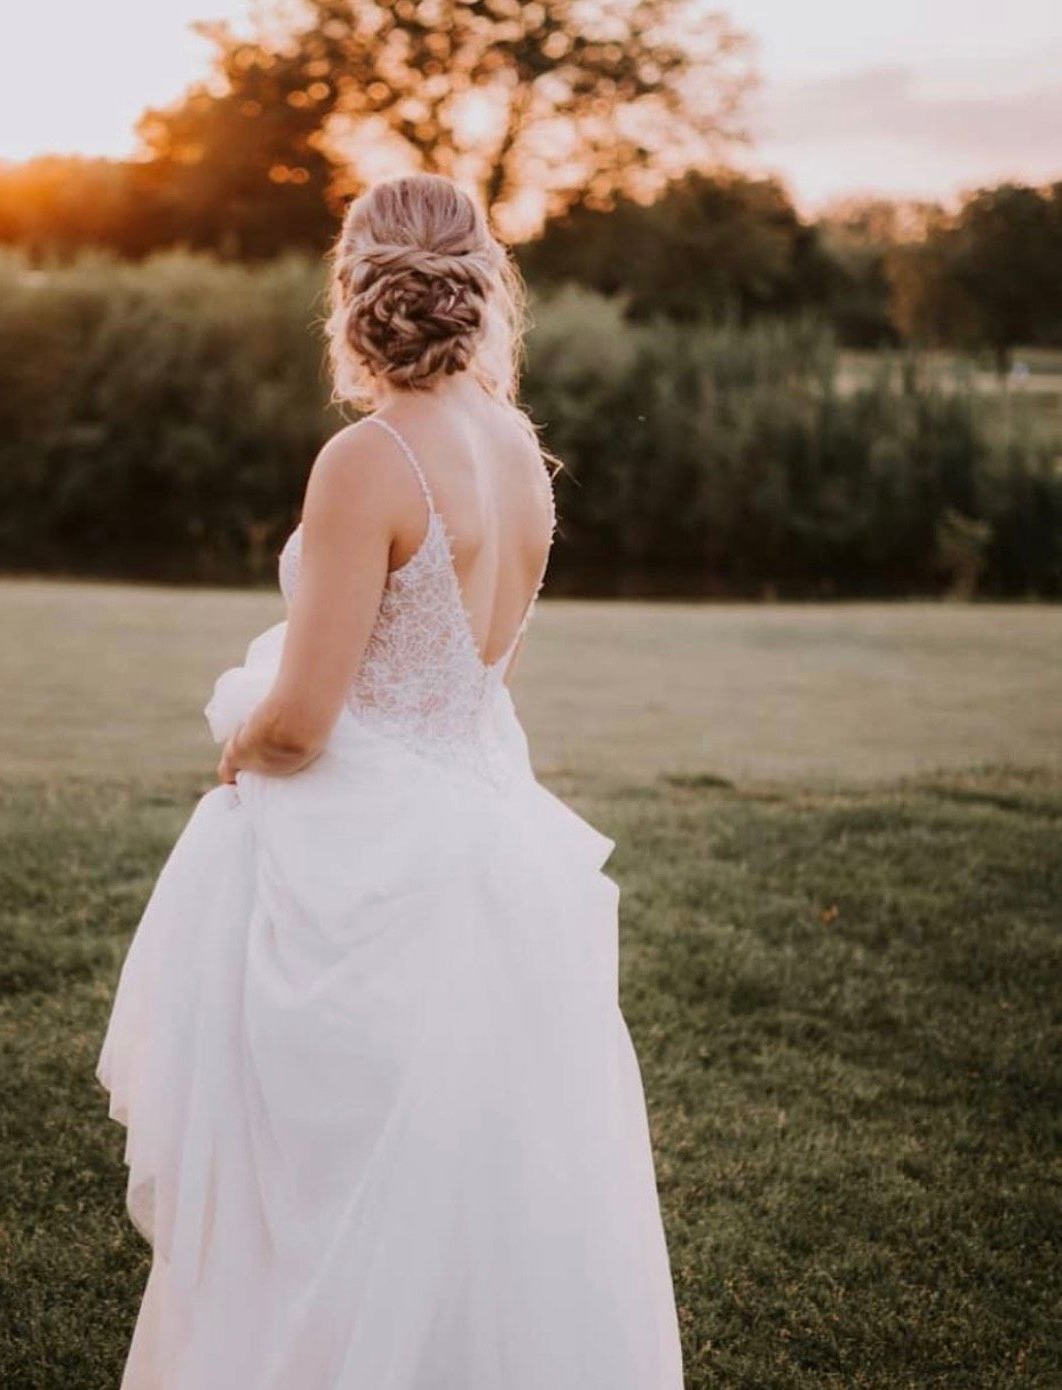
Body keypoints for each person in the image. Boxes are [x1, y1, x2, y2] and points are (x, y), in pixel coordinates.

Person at [97, 172, 683, 1390]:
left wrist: (241, 739)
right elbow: (472, 669)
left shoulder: (368, 458)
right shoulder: (519, 450)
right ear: (480, 284)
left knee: (319, 1208)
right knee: (475, 1205)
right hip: (491, 844)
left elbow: (308, 721)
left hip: (367, 868)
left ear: (355, 284)